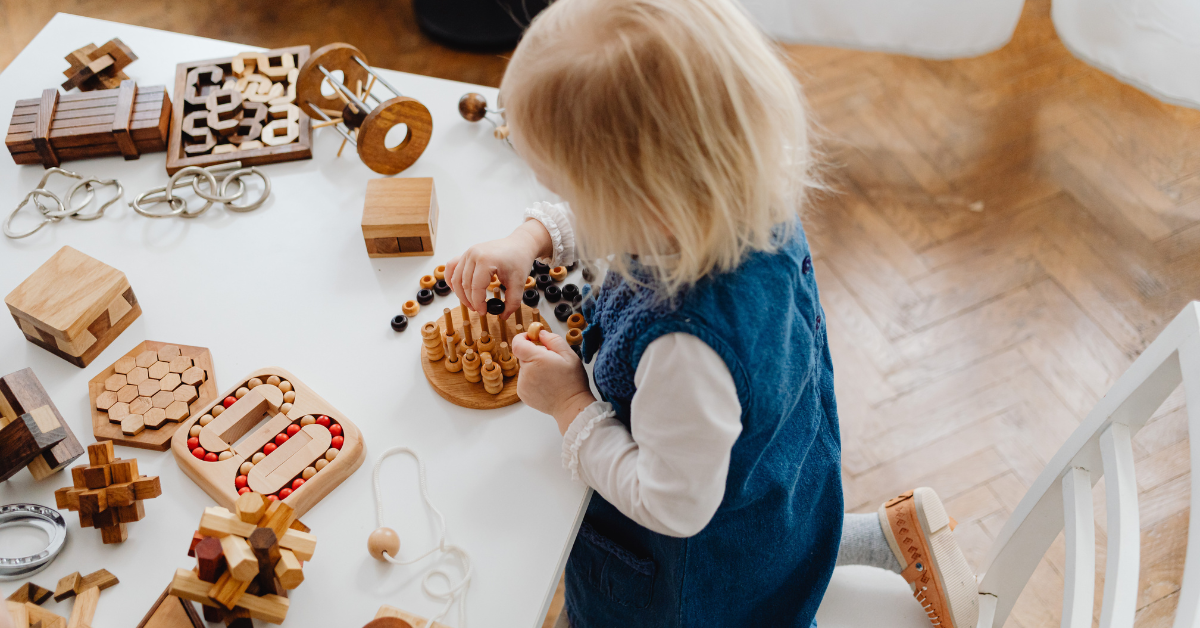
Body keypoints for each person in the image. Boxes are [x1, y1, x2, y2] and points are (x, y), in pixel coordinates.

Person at [445, 0, 978, 626]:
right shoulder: (743, 191)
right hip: (780, 487)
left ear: (641, 204)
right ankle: (864, 542)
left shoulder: (684, 351)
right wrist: (533, 236)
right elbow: (629, 214)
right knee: (773, 547)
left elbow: (672, 506)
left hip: (691, 576)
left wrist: (569, 405)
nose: (564, 204)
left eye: (568, 193)